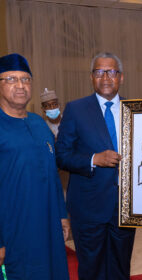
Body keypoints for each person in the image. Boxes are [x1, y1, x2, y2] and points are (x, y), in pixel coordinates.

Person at [56, 52, 135, 280]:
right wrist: (93, 159)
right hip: (88, 207)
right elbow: (61, 155)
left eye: (111, 71)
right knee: (92, 270)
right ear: (92, 77)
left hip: (125, 208)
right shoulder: (76, 109)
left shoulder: (136, 110)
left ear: (121, 77)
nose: (106, 77)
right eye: (99, 72)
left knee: (121, 268)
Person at [0, 53, 69, 280]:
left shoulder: (39, 124)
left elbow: (52, 175)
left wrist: (62, 214)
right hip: (13, 231)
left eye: (26, 79)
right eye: (11, 79)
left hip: (48, 225)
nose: (20, 86)